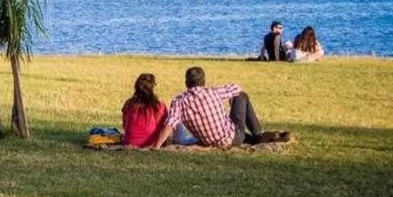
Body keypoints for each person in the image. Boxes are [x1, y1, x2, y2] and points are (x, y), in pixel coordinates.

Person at [151, 67, 289, 149]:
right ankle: (259, 134)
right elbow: (237, 88)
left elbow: (170, 125)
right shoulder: (213, 92)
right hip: (232, 136)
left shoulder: (179, 101)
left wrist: (156, 146)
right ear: (203, 81)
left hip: (210, 141)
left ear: (186, 82)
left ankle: (256, 138)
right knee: (241, 96)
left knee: (240, 135)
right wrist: (229, 102)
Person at [121, 74, 168, 148]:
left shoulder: (128, 104)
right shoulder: (160, 106)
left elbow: (124, 125)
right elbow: (163, 127)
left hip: (130, 141)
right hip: (152, 142)